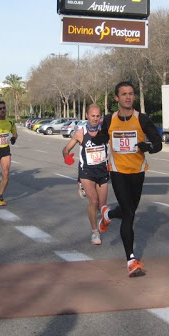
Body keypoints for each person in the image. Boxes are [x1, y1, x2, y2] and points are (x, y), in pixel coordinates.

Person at [91, 81, 162, 277]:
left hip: (137, 172)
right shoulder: (109, 119)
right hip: (118, 171)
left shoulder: (142, 119)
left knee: (128, 210)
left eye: (131, 94)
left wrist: (147, 147)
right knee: (129, 215)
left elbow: (158, 143)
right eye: (123, 94)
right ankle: (131, 260)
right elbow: (101, 139)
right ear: (116, 98)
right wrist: (93, 134)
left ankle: (108, 215)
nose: (128, 97)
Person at [62, 104, 109, 245]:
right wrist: (66, 156)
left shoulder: (104, 131)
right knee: (93, 201)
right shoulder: (80, 133)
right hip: (86, 172)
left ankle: (102, 219)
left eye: (98, 116)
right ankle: (95, 233)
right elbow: (66, 148)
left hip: (102, 171)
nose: (95, 118)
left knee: (102, 205)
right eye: (92, 115)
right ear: (87, 116)